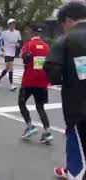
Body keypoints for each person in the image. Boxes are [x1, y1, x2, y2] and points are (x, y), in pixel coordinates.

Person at [44, 2, 86, 180]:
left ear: (68, 20)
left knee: (78, 156)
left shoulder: (66, 40)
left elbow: (52, 74)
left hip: (79, 109)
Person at [19, 24, 54, 143]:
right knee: (40, 106)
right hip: (42, 81)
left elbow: (24, 60)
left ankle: (30, 126)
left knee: (21, 102)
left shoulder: (27, 46)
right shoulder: (46, 47)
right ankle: (47, 131)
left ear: (31, 32)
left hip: (29, 80)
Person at [0, 18, 22, 91]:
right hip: (6, 51)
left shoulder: (17, 32)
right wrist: (1, 46)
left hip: (12, 52)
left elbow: (19, 41)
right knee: (11, 67)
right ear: (8, 25)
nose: (13, 25)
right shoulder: (4, 33)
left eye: (14, 24)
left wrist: (18, 45)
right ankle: (11, 85)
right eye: (11, 24)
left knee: (7, 68)